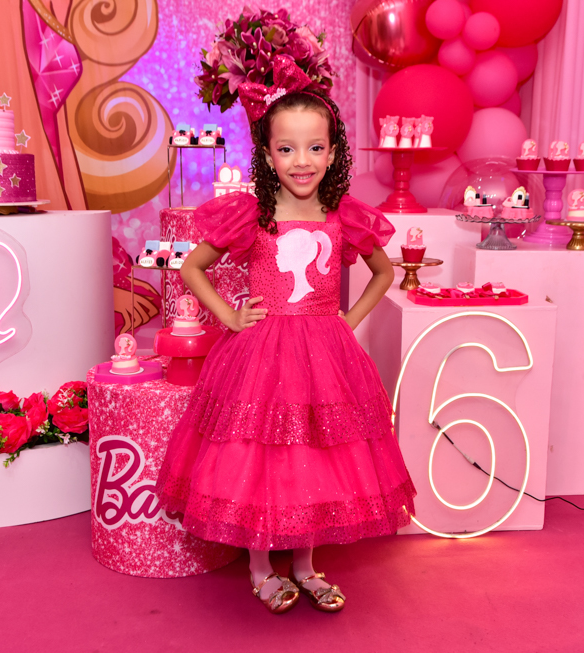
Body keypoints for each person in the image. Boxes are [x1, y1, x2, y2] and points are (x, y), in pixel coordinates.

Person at [155, 56, 416, 614]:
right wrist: (229, 317)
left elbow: (383, 273)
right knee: (260, 456)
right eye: (287, 148)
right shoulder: (253, 214)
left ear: (333, 152)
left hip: (325, 354)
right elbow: (192, 267)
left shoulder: (344, 215)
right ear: (268, 154)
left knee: (314, 457)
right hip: (262, 353)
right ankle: (259, 567)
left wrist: (347, 319)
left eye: (315, 147)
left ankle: (305, 565)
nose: (302, 161)